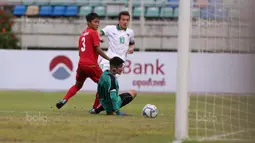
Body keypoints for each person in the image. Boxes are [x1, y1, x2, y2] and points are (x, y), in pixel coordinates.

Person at [55, 13, 111, 109]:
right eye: (95, 22)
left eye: (98, 22)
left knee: (77, 85)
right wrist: (109, 59)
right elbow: (98, 49)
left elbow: (80, 52)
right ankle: (95, 108)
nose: (97, 24)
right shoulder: (93, 32)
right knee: (105, 84)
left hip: (81, 64)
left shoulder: (83, 34)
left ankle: (65, 99)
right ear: (89, 23)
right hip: (91, 65)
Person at [90, 11, 136, 112]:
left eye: (127, 20)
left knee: (112, 86)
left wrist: (131, 48)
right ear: (119, 20)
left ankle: (105, 107)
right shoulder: (110, 29)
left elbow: (132, 43)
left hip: (119, 64)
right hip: (108, 60)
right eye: (123, 19)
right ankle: (96, 107)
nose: (125, 22)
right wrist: (99, 37)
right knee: (102, 83)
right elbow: (98, 33)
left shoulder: (130, 32)